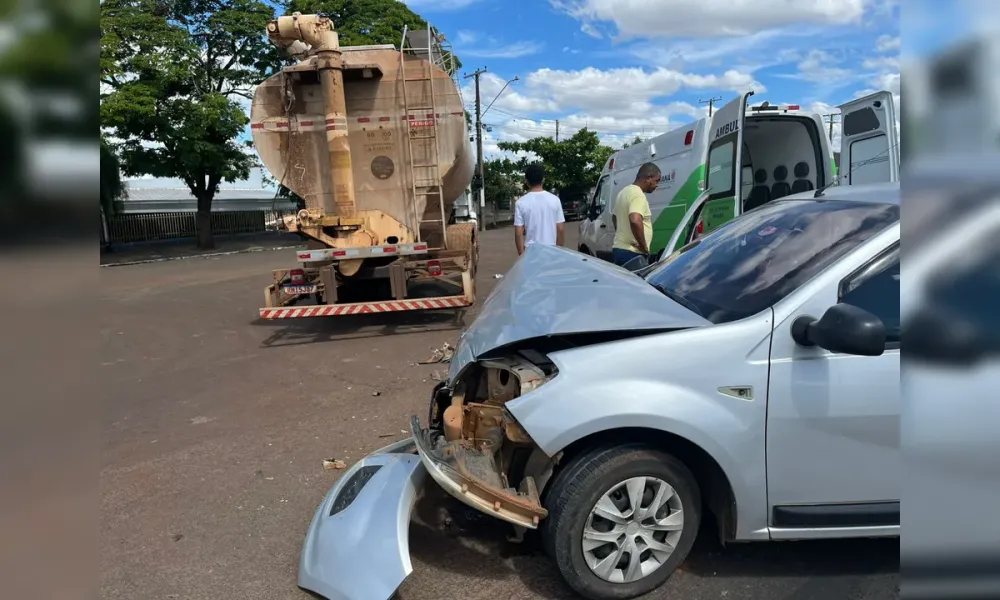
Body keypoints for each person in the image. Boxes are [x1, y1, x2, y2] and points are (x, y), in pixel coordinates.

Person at [611, 162, 661, 266]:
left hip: (619, 249)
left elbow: (614, 217)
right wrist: (644, 247)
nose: (657, 185)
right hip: (632, 253)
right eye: (656, 181)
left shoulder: (623, 192)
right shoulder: (638, 195)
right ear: (647, 178)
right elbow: (635, 219)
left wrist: (624, 235)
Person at [513, 162, 565, 256]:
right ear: (543, 180)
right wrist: (558, 250)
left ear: (526, 181)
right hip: (551, 251)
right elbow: (560, 229)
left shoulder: (520, 203)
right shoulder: (555, 200)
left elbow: (518, 233)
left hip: (531, 253)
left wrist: (521, 254)